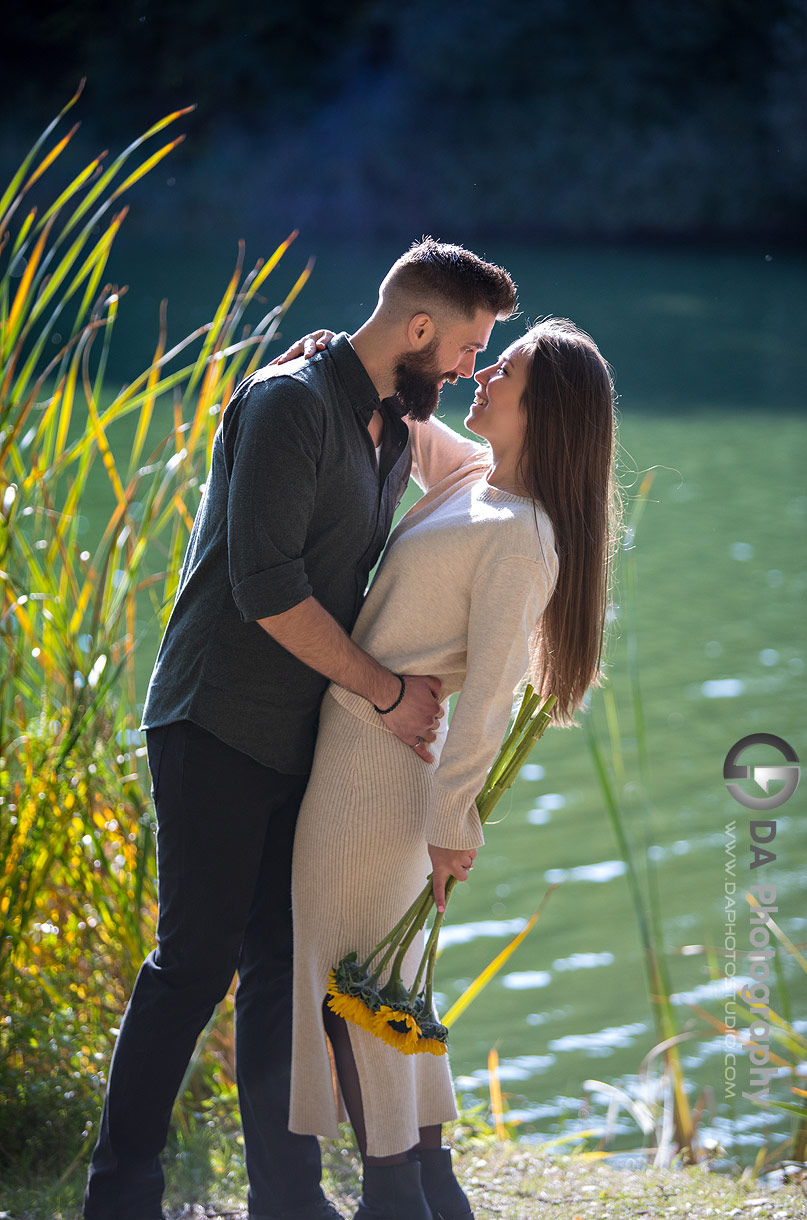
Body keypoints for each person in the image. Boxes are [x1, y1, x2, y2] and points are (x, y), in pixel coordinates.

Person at [82, 239, 518, 1220]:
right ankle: (119, 1193)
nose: (464, 367)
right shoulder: (289, 403)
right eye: (465, 345)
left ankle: (288, 1196)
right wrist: (388, 693)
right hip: (214, 721)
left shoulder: (398, 421)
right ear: (418, 328)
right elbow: (267, 589)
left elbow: (495, 466)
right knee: (192, 960)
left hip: (299, 738)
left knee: (282, 971)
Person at [280, 318, 619, 1219]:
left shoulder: (523, 533)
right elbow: (390, 396)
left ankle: (392, 1194)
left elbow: (490, 698)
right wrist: (343, 356)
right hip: (363, 754)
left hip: (381, 782)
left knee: (344, 987)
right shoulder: (473, 478)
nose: (483, 374)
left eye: (501, 369)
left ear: (544, 410)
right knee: (377, 986)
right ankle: (427, 1185)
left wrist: (449, 826)